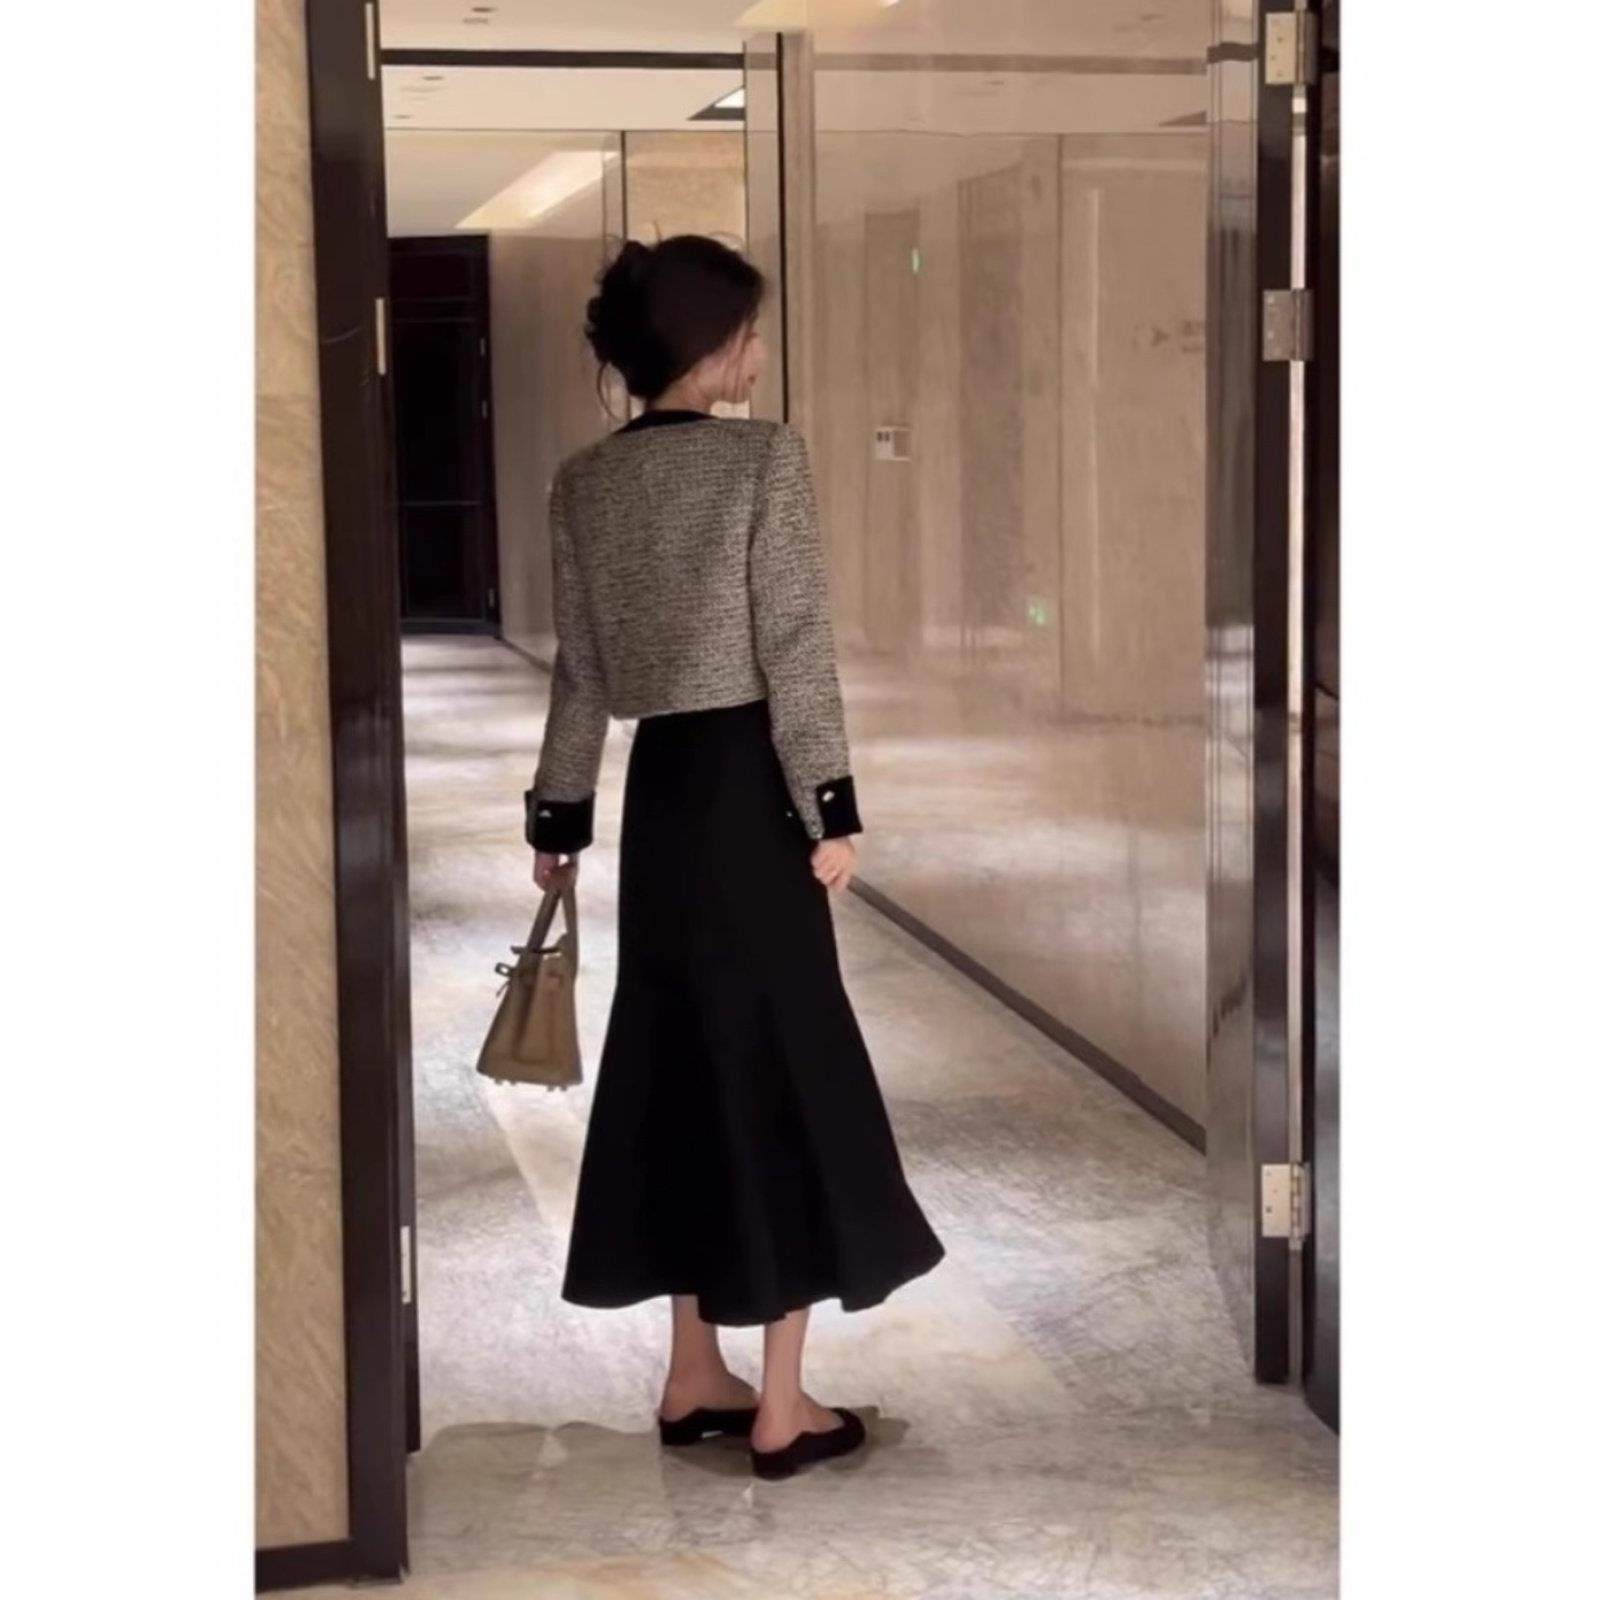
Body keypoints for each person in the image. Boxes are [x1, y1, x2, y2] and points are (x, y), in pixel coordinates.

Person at [525, 234, 945, 1481]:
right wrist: (831, 809)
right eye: (749, 334)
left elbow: (583, 670)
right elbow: (794, 643)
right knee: (781, 1070)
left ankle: (692, 1373)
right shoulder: (764, 459)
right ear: (711, 348)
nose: (757, 354)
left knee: (679, 1066)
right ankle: (781, 1403)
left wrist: (559, 819)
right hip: (753, 795)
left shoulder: (583, 483)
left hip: (661, 800)